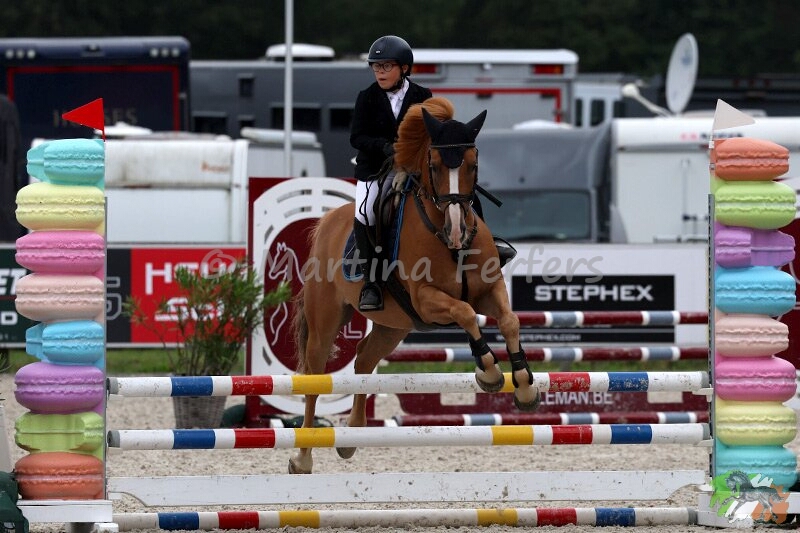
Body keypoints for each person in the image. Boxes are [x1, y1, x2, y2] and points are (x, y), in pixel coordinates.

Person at [350, 35, 431, 312]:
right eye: (376, 66)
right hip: (376, 169)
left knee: (454, 191)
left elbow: (431, 131)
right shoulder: (367, 97)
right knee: (365, 212)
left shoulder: (423, 96)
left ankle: (480, 248)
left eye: (386, 66)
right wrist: (383, 147)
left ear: (404, 68)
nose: (380, 72)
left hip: (413, 167)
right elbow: (357, 137)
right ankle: (371, 282)